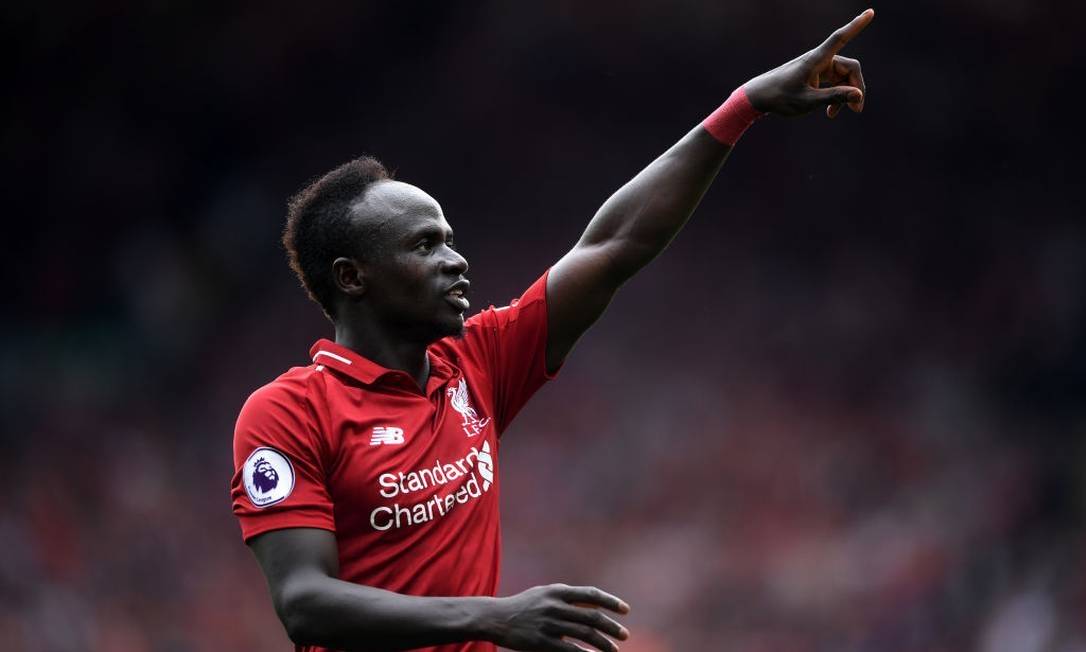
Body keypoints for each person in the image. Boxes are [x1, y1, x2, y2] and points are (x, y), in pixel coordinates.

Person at [230, 9, 874, 652]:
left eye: (450, 240)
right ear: (352, 277)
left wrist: (744, 106)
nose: (456, 261)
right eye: (425, 246)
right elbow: (304, 602)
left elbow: (613, 245)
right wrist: (489, 618)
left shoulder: (476, 363)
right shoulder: (288, 414)